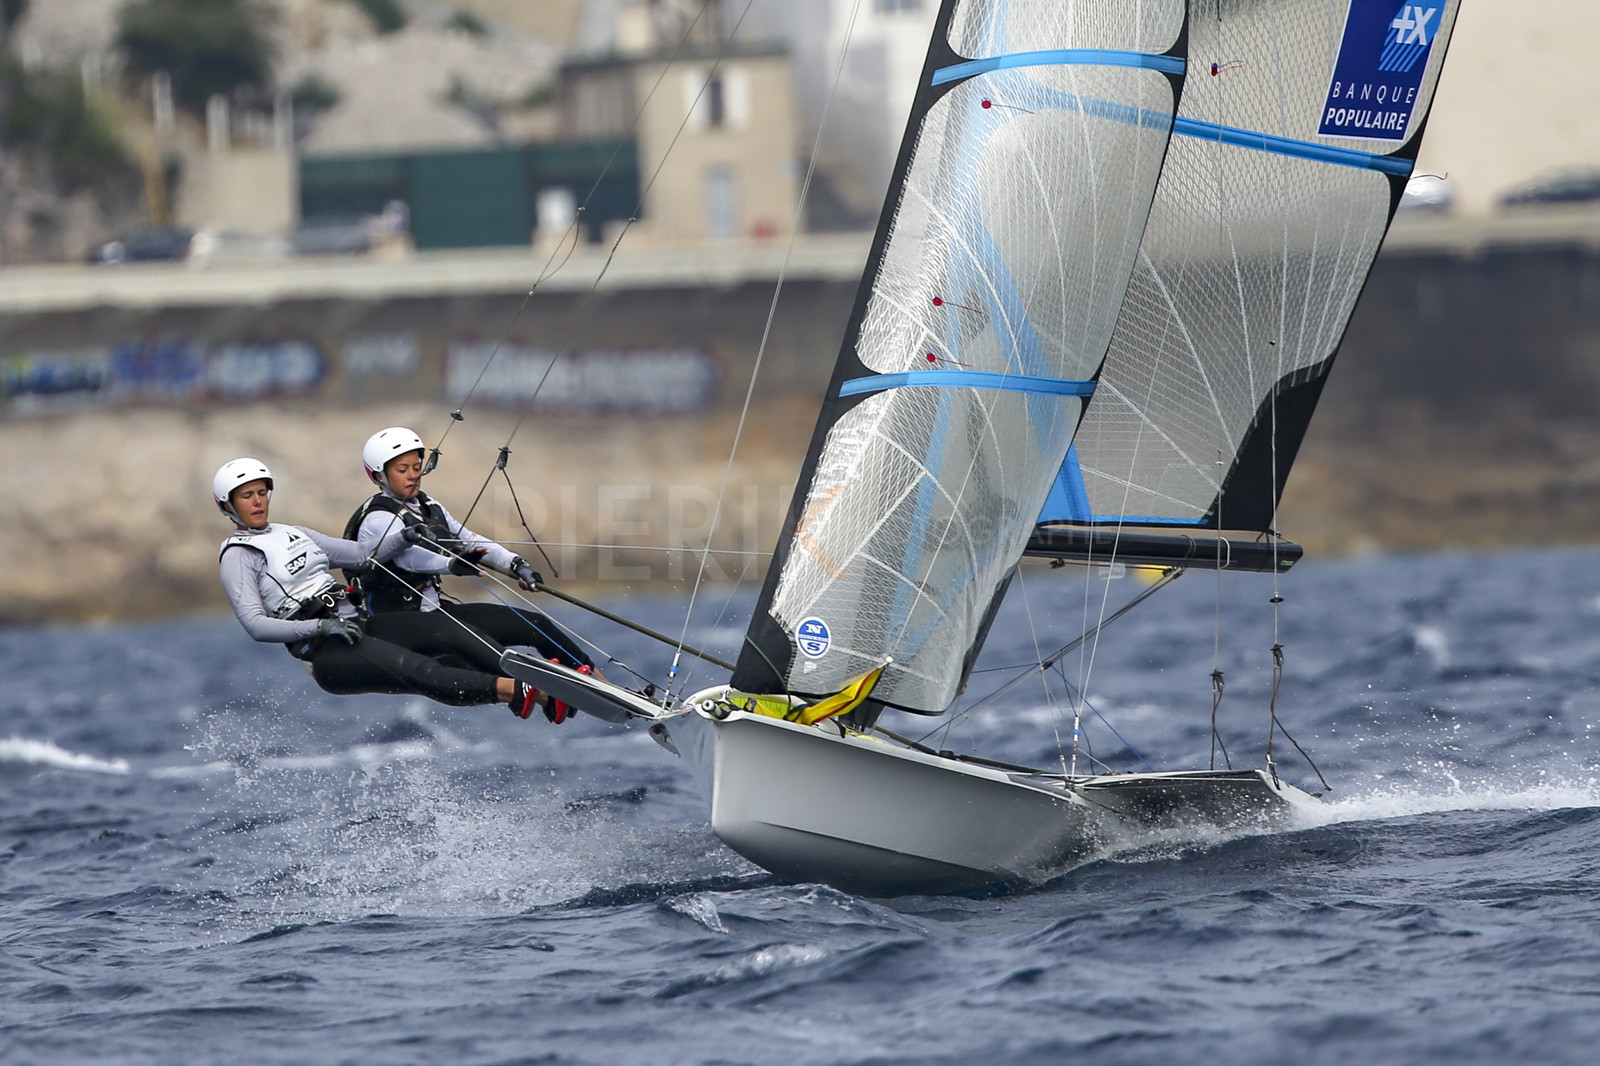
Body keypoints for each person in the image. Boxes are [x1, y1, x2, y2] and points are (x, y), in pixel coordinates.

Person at [213, 457, 553, 719]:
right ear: (227, 505)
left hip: (358, 626)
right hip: (326, 651)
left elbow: (364, 555)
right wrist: (321, 627)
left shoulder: (295, 533)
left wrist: (404, 537)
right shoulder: (239, 555)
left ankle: (544, 685)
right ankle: (523, 691)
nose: (257, 502)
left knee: (446, 630)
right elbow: (256, 626)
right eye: (246, 496)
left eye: (262, 492)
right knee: (420, 670)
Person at [345, 427, 590, 672]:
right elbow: (408, 559)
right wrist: (451, 565)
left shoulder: (428, 506)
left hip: (437, 614)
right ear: (379, 476)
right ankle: (530, 688)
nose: (413, 476)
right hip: (400, 628)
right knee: (490, 656)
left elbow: (470, 540)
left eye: (417, 467)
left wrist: (516, 564)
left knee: (536, 625)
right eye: (402, 470)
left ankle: (599, 682)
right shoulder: (377, 519)